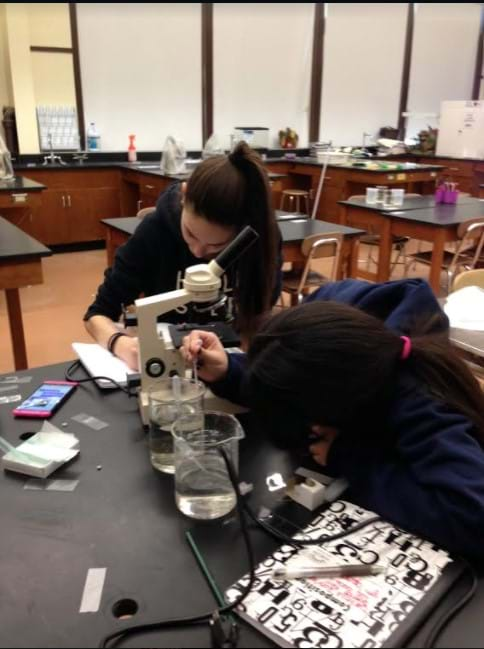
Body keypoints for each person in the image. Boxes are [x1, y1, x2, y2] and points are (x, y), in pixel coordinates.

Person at [182, 278, 484, 560]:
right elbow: (289, 383)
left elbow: (473, 518)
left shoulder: (420, 403)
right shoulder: (338, 333)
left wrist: (348, 455)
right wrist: (229, 371)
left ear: (339, 408)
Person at [84, 142, 281, 370]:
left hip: (228, 367)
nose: (198, 252)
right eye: (190, 233)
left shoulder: (259, 243)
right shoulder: (154, 232)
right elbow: (96, 315)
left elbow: (258, 318)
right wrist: (123, 345)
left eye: (217, 246)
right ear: (184, 195)